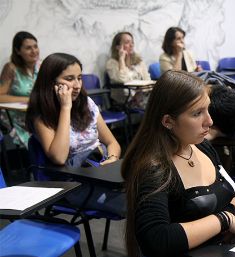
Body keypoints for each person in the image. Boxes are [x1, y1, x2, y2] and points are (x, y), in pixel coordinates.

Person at [121, 70, 235, 257]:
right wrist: (224, 220)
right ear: (168, 121)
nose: (209, 121)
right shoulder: (154, 169)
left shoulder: (202, 146)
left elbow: (234, 194)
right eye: (197, 113)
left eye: (208, 109)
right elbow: (156, 239)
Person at [25, 53, 125, 216]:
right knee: (134, 205)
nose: (77, 85)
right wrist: (66, 108)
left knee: (149, 194)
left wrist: (112, 160)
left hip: (99, 172)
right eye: (70, 79)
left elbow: (112, 143)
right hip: (71, 182)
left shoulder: (87, 104)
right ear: (51, 83)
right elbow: (59, 157)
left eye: (79, 78)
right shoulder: (42, 115)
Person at [0, 31, 40, 148]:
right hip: (17, 119)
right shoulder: (11, 68)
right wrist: (28, 99)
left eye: (35, 46)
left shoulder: (42, 66)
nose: (34, 51)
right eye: (28, 48)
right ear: (18, 51)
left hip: (38, 114)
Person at [106, 31, 151, 109]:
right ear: (117, 47)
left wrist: (141, 91)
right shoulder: (112, 63)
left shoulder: (139, 61)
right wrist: (121, 58)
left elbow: (147, 80)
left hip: (142, 96)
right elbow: (122, 79)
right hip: (125, 100)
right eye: (127, 42)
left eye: (132, 42)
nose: (131, 45)